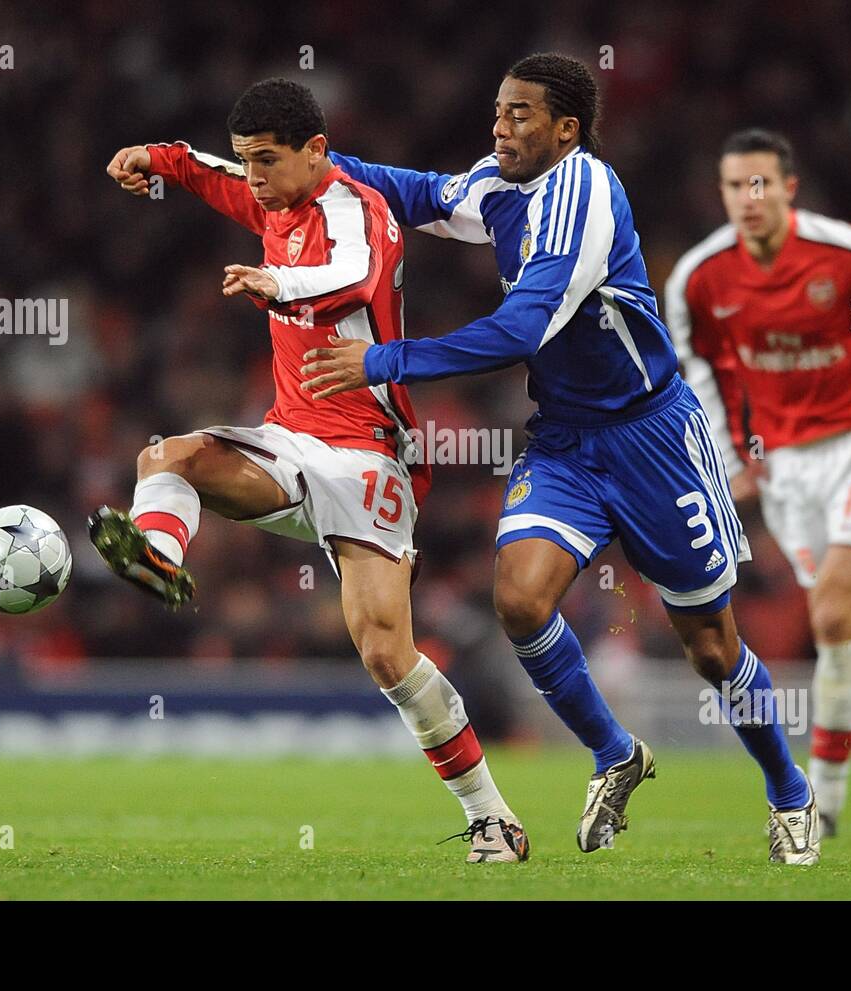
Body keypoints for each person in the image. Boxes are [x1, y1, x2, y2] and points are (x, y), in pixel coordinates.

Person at [301, 54, 819, 863]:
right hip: (568, 440)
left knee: (712, 645)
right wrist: (310, 162)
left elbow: (518, 330)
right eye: (498, 111)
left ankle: (790, 792)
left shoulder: (585, 199)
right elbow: (414, 192)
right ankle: (616, 753)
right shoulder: (501, 183)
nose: (499, 127)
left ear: (566, 129)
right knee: (519, 600)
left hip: (654, 438)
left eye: (519, 115)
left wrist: (382, 360)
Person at [95, 78, 529, 863]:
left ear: (316, 151)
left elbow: (356, 276)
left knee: (387, 655)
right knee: (168, 456)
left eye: (267, 160)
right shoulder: (265, 195)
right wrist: (150, 158)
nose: (254, 176)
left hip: (370, 449)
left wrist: (278, 283)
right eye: (247, 161)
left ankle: (491, 817)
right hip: (291, 440)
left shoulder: (356, 204)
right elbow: (202, 170)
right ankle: (160, 556)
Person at [663, 128, 851, 836]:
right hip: (788, 470)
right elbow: (701, 369)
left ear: (789, 188)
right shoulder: (701, 278)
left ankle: (820, 802)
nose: (748, 198)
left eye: (761, 184)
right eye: (735, 186)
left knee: (829, 616)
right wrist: (732, 456)